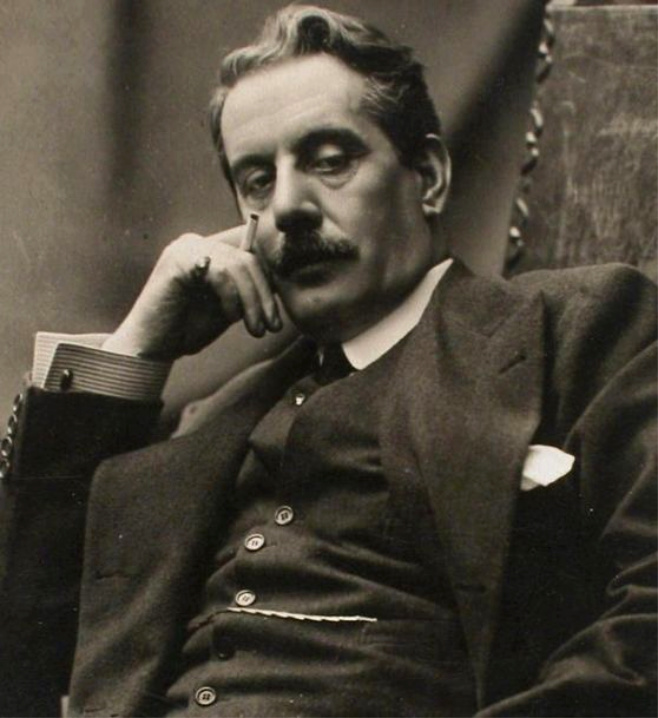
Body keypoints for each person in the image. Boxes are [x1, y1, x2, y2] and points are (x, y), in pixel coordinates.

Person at [0, 4, 655, 717]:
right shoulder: (210, 421)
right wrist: (135, 351)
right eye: (257, 180)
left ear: (429, 176)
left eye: (329, 161)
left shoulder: (581, 328)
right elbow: (25, 653)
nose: (288, 207)